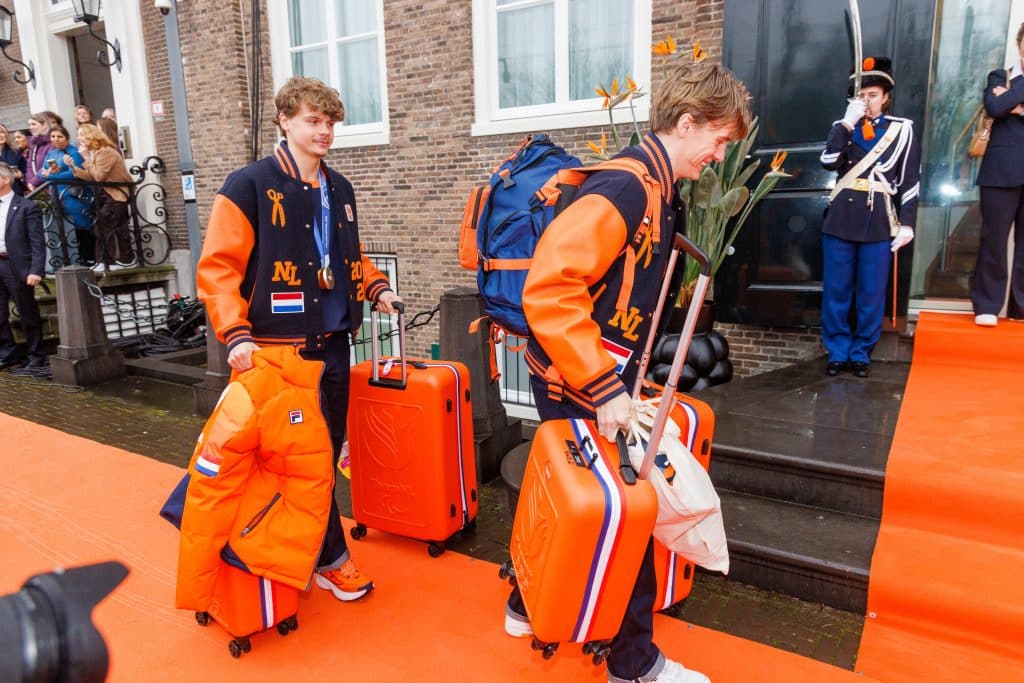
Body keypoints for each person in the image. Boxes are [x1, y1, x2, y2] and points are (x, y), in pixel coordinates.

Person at [503, 60, 751, 683]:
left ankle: (524, 600)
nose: (720, 156)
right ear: (686, 123)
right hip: (583, 379)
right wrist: (606, 385)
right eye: (718, 140)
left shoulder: (653, 187)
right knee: (629, 514)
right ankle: (632, 664)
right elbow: (552, 290)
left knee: (571, 496)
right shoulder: (627, 188)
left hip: (580, 373)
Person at [196, 76, 401, 603]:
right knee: (299, 464)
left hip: (334, 345)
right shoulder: (247, 185)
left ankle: (296, 548)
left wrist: (375, 286)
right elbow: (218, 269)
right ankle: (330, 558)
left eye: (330, 122)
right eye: (313, 120)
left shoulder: (341, 189)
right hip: (275, 353)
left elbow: (348, 259)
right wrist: (234, 333)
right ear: (284, 121)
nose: (324, 131)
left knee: (323, 456)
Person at [819, 57, 920, 378]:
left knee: (871, 294)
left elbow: (910, 180)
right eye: (861, 95)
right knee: (836, 291)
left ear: (886, 96)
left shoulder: (901, 130)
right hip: (841, 217)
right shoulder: (843, 127)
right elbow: (829, 160)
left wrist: (907, 223)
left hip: (878, 219)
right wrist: (846, 124)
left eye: (873, 94)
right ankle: (837, 351)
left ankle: (861, 352)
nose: (867, 100)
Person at [971, 22, 1024, 327]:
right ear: (1019, 45)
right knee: (993, 239)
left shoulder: (1010, 85)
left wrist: (1015, 105)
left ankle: (1021, 306)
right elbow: (994, 105)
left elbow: (1005, 104)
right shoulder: (999, 76)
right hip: (1000, 172)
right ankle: (987, 305)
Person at [66, 124, 133, 271]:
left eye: (82, 134)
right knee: (119, 227)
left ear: (93, 136)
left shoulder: (106, 152)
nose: (79, 138)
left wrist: (85, 158)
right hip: (108, 194)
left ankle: (107, 261)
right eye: (78, 135)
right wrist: (73, 168)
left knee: (102, 225)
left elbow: (99, 176)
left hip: (117, 194)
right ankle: (125, 259)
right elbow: (91, 176)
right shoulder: (95, 153)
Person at [0, 163, 46, 370]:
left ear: (5, 180)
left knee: (27, 311)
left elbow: (37, 241)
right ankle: (8, 353)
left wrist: (36, 270)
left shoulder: (27, 207)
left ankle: (36, 355)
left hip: (16, 265)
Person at [39, 125, 93, 264]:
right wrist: (47, 174)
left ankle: (88, 258)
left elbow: (74, 173)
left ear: (67, 138)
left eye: (59, 137)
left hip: (74, 195)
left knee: (81, 226)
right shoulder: (51, 153)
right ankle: (72, 259)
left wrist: (50, 176)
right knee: (65, 229)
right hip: (57, 195)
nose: (56, 139)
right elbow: (41, 173)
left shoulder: (73, 152)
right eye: (53, 137)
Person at [25, 112, 54, 192]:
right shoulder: (34, 144)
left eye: (33, 124)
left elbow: (48, 165)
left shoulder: (52, 142)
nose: (30, 127)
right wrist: (30, 182)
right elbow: (29, 166)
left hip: (50, 187)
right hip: (37, 188)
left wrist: (34, 182)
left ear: (44, 125)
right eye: (29, 125)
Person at [0, 125, 27, 196]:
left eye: (2, 132)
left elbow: (27, 171)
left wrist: (21, 175)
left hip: (15, 193)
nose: (1, 135)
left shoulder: (16, 153)